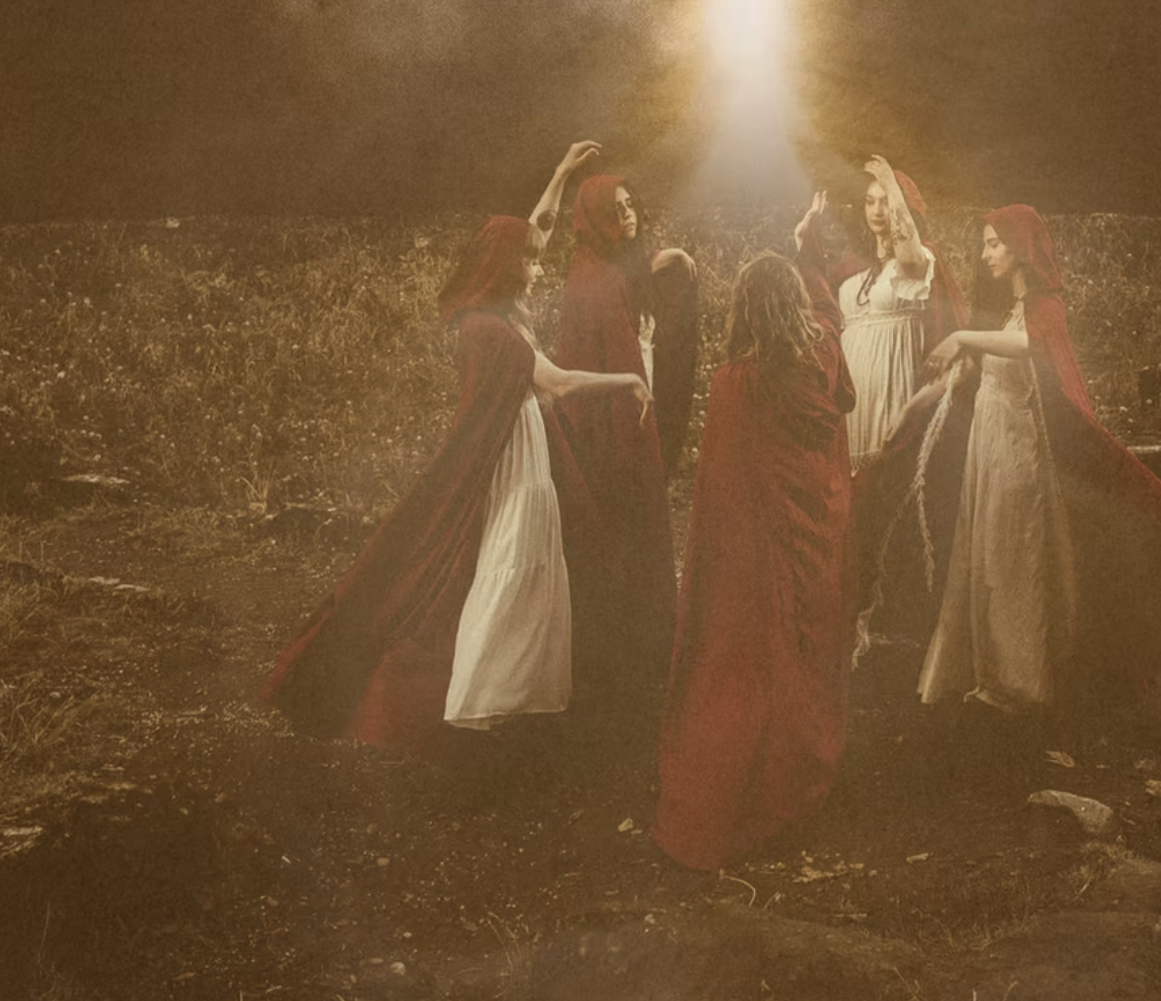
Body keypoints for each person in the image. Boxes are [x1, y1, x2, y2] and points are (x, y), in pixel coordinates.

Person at [258, 144, 653, 757]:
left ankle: (512, 699)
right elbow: (559, 383)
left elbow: (536, 232)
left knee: (526, 572)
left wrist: (558, 175)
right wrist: (628, 381)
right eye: (528, 261)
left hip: (521, 461)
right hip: (515, 470)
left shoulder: (499, 315)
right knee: (511, 571)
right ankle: (480, 701)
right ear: (505, 267)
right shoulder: (492, 331)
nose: (541, 265)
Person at [914, 205, 1161, 714]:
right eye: (984, 243)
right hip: (987, 450)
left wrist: (963, 336)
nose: (984, 253)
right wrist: (912, 409)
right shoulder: (1003, 312)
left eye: (994, 243)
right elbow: (971, 373)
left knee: (1015, 558)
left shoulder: (1045, 307)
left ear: (1022, 250)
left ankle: (1022, 681)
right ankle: (987, 673)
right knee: (986, 555)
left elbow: (1030, 346)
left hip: (1020, 455)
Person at [652, 194, 858, 872]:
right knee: (807, 648)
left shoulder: (734, 385)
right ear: (794, 303)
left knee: (751, 663)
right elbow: (827, 319)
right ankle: (806, 771)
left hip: (753, 560)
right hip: (813, 544)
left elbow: (720, 494)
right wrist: (809, 254)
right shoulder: (822, 355)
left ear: (744, 310)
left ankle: (757, 777)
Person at [554, 171, 698, 710]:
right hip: (611, 413)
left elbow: (645, 289)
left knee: (638, 516)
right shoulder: (591, 276)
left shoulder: (618, 267)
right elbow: (597, 353)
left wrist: (670, 261)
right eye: (616, 209)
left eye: (631, 204)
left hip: (637, 393)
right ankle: (628, 648)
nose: (629, 214)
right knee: (624, 520)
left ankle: (641, 639)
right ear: (596, 220)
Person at [829, 159, 968, 654]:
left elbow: (910, 251)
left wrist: (892, 182)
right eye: (870, 201)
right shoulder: (857, 273)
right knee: (847, 511)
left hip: (894, 398)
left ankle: (891, 622)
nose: (878, 211)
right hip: (853, 406)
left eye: (887, 202)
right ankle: (850, 621)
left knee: (885, 503)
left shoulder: (919, 264)